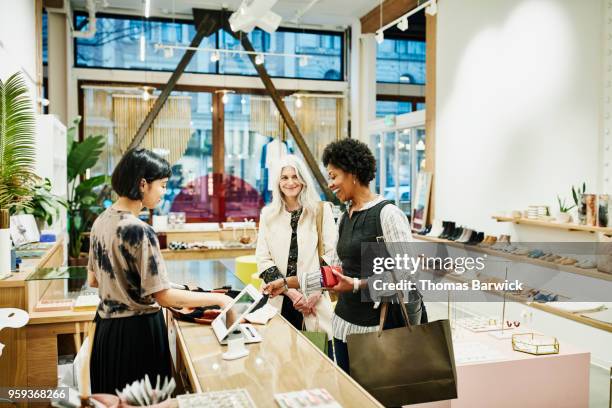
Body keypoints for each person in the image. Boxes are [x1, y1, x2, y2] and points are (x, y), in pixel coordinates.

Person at [87, 148, 233, 394]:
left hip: (106, 333)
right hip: (137, 335)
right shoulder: (140, 230)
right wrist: (220, 298)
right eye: (163, 186)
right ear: (143, 184)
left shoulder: (101, 221)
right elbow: (163, 296)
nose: (164, 193)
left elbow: (94, 279)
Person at [322, 138, 424, 374]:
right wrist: (289, 284)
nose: (331, 184)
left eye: (334, 176)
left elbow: (408, 276)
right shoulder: (345, 215)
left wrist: (359, 285)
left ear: (353, 172)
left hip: (377, 331)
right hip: (342, 327)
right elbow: (338, 269)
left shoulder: (387, 214)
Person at [256, 155, 336, 359]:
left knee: (316, 365)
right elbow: (263, 260)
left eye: (295, 176)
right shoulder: (268, 215)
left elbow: (331, 255)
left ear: (303, 179)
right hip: (280, 302)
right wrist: (290, 292)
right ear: (277, 182)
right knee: (282, 366)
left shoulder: (321, 210)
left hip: (313, 301)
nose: (290, 182)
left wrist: (314, 291)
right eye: (284, 177)